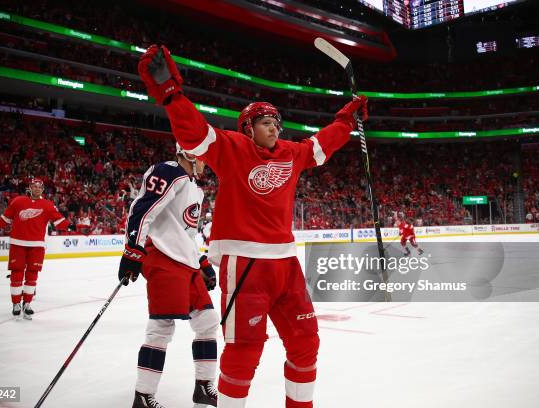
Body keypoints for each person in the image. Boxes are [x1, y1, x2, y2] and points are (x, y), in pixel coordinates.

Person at [137, 45, 368, 408]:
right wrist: (171, 94)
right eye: (266, 122)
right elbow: (195, 133)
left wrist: (346, 121)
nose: (274, 127)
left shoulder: (291, 153)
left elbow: (321, 146)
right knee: (244, 351)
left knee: (306, 342)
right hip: (244, 265)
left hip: (287, 264)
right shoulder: (231, 148)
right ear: (248, 127)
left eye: (277, 122)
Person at [118, 143, 219, 408]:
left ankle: (203, 388)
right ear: (190, 153)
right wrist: (133, 250)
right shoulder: (167, 172)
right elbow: (142, 209)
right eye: (204, 155)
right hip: (162, 256)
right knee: (161, 326)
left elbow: (185, 233)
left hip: (185, 261)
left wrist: (202, 262)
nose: (207, 161)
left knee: (208, 320)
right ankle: (143, 395)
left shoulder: (195, 188)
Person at [0, 179, 71, 320]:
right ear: (30, 188)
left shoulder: (48, 205)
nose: (37, 188)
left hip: (37, 245)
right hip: (18, 243)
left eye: (40, 186)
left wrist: (76, 227)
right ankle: (16, 304)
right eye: (35, 186)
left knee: (32, 275)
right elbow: (5, 219)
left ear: (43, 189)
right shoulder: (18, 201)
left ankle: (27, 303)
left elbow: (60, 222)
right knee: (17, 273)